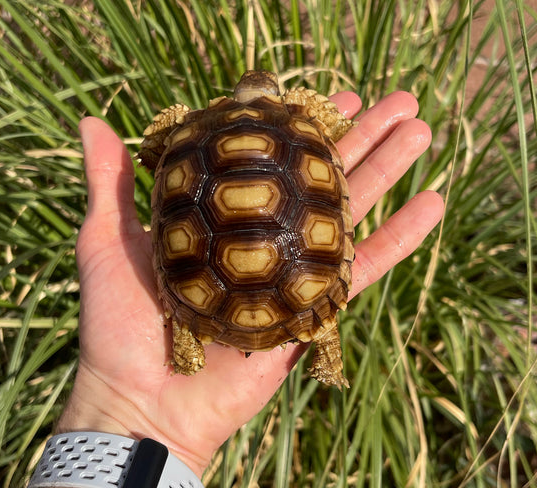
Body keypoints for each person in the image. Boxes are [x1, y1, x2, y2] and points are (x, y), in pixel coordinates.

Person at [49, 90, 444, 481]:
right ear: (274, 89)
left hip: (202, 294)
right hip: (299, 289)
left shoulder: (187, 129)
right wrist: (334, 123)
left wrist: (114, 419)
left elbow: (155, 151)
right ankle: (324, 335)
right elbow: (330, 123)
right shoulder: (301, 116)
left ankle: (193, 340)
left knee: (192, 333)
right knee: (317, 308)